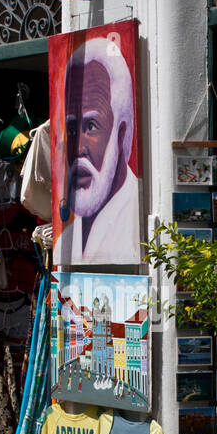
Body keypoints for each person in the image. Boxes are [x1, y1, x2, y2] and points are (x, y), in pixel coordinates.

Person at [55, 36, 140, 264]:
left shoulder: (138, 223)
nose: (78, 149)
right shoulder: (65, 241)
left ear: (121, 133)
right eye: (72, 130)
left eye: (91, 127)